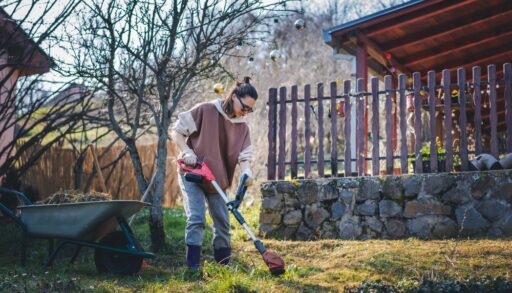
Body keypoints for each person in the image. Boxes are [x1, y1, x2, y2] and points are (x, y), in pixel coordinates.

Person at [170, 77, 257, 270]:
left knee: (223, 222)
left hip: (217, 179)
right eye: (245, 106)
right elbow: (177, 132)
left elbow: (244, 157)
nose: (246, 112)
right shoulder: (206, 110)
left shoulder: (242, 127)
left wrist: (247, 173)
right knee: (197, 218)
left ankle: (223, 265)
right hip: (192, 174)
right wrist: (187, 151)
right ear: (233, 96)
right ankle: (193, 267)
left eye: (250, 109)